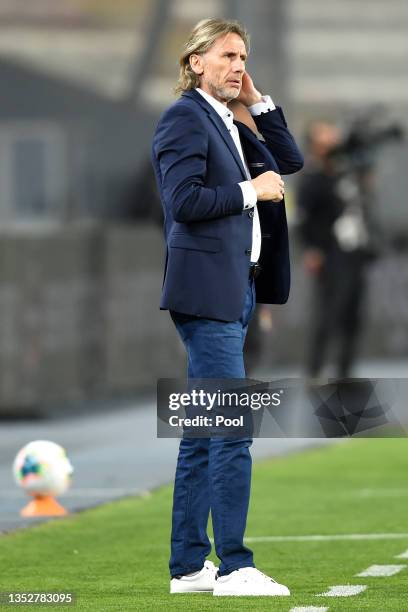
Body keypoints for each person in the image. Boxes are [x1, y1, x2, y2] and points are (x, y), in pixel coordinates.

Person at [151, 18, 303, 597]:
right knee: (233, 425)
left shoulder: (227, 123)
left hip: (234, 288)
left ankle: (190, 566)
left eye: (243, 56)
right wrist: (251, 191)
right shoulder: (183, 119)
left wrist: (256, 99)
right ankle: (236, 566)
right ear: (195, 63)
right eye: (227, 56)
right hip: (207, 292)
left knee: (203, 430)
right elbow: (184, 201)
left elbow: (288, 160)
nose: (238, 66)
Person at [296, 121, 377, 379]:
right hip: (329, 253)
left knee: (353, 313)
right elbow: (303, 218)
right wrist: (311, 249)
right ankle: (315, 369)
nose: (332, 141)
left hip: (355, 251)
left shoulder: (346, 172)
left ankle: (345, 369)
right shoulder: (312, 177)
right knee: (329, 312)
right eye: (325, 138)